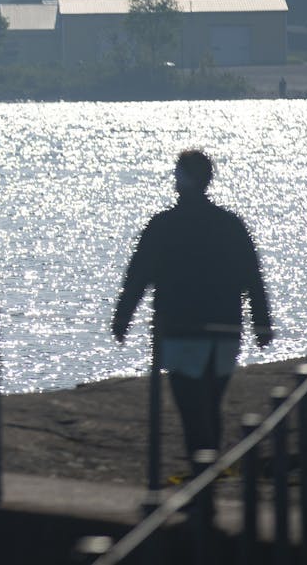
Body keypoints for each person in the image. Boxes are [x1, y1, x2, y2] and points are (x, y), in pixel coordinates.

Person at [111, 149, 273, 465]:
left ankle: (202, 478)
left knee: (191, 410)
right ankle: (208, 474)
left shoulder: (163, 225)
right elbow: (252, 278)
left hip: (180, 330)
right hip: (225, 332)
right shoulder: (230, 225)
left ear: (183, 179)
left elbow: (138, 276)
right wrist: (261, 324)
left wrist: (122, 318)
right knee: (211, 405)